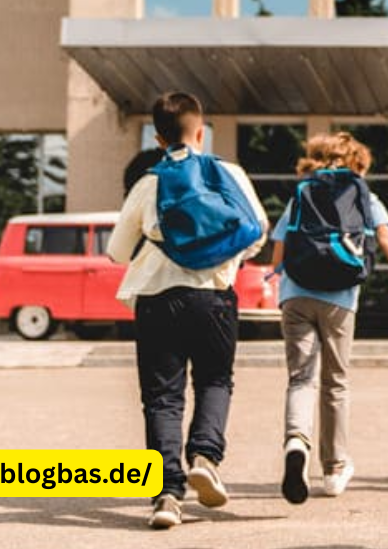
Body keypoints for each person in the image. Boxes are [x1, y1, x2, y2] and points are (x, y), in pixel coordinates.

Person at [106, 92, 268, 529]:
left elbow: (116, 252)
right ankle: (204, 457)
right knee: (216, 379)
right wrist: (223, 259)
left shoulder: (149, 182)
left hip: (158, 300)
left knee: (162, 398)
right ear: (202, 131)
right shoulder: (227, 173)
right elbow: (257, 230)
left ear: (158, 137)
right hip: (215, 297)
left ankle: (167, 496)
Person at [271, 131, 388, 504]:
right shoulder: (364, 195)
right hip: (339, 299)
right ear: (357, 164)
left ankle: (295, 442)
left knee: (300, 378)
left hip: (296, 294)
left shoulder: (302, 192)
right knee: (335, 382)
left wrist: (279, 283)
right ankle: (334, 469)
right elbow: (384, 239)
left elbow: (279, 251)